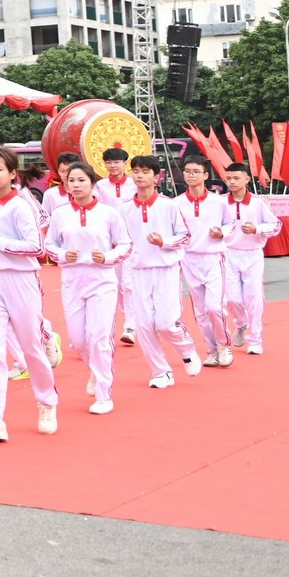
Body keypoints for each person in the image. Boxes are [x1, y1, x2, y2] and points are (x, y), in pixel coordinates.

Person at [0, 146, 59, 442]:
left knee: (31, 347)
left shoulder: (21, 204)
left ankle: (47, 401)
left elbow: (37, 248)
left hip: (21, 280)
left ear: (11, 174)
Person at [46, 160, 132, 415]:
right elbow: (49, 244)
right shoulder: (60, 214)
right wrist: (62, 255)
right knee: (78, 339)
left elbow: (126, 244)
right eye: (71, 180)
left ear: (93, 184)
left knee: (98, 337)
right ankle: (96, 369)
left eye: (81, 180)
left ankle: (104, 393)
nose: (75, 185)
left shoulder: (108, 213)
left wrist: (106, 257)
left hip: (102, 280)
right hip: (73, 281)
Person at [118, 155, 202, 389]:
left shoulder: (169, 205)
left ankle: (186, 349)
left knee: (165, 323)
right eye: (136, 171)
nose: (139, 175)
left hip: (166, 269)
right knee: (144, 326)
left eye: (145, 171)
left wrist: (163, 241)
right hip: (138, 270)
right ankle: (160, 372)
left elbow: (185, 236)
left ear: (156, 177)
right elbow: (118, 239)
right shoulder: (124, 209)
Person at [176, 156, 235, 367]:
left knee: (214, 307)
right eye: (188, 171)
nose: (191, 175)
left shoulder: (218, 202)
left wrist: (222, 232)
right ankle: (211, 350)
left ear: (206, 175)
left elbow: (231, 224)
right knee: (200, 312)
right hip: (189, 260)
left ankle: (224, 345)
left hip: (213, 258)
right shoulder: (177, 203)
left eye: (196, 171)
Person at [221, 161, 280, 356]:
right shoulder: (220, 202)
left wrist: (258, 229)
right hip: (228, 253)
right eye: (228, 178)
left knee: (253, 297)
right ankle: (241, 323)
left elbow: (276, 226)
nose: (231, 182)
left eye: (236, 178)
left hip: (252, 254)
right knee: (232, 298)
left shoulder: (257, 203)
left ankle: (255, 339)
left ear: (247, 179)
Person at [93, 146, 139, 345]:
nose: (112, 166)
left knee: (128, 284)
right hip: (109, 242)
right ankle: (118, 322)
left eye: (116, 162)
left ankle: (131, 325)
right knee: (116, 284)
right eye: (108, 163)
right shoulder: (100, 186)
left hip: (132, 239)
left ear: (125, 163)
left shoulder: (135, 184)